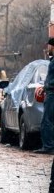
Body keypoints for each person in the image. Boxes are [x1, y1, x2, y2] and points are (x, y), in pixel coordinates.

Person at [41, 40, 54, 182]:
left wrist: (49, 86)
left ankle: (48, 146)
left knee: (47, 121)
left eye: (50, 46)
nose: (48, 48)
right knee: (47, 121)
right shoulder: (52, 60)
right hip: (49, 92)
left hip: (52, 94)